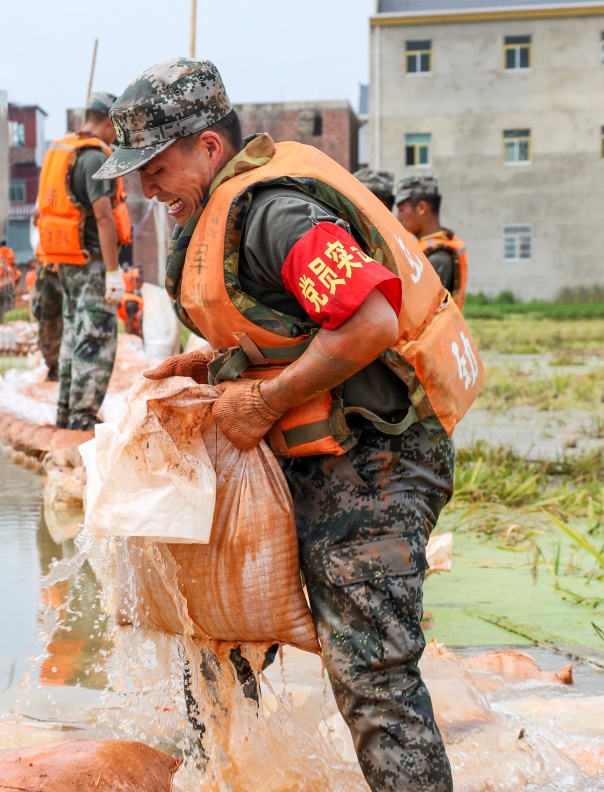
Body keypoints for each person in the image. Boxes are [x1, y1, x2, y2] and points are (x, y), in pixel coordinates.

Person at [99, 58, 484, 792]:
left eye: (154, 165)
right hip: (310, 456)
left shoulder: (275, 214)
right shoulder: (222, 215)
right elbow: (287, 325)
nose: (144, 187)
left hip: (380, 458)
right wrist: (211, 365)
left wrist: (266, 402)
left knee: (370, 674)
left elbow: (368, 322)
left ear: (209, 149)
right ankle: (225, 778)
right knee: (221, 646)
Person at [35, 91, 132, 430]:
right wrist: (111, 272)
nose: (115, 137)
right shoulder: (92, 158)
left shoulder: (59, 151)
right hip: (91, 264)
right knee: (96, 337)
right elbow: (104, 219)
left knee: (73, 335)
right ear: (108, 122)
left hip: (65, 264)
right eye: (115, 129)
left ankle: (66, 410)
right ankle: (82, 416)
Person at [395, 174, 467, 309]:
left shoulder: (438, 257)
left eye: (401, 211)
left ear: (421, 208)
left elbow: (420, 311)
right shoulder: (431, 248)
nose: (398, 218)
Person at [0, 238, 19, 323]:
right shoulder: (11, 253)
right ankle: (3, 318)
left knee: (0, 300)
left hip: (0, 280)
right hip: (9, 279)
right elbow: (14, 265)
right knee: (9, 299)